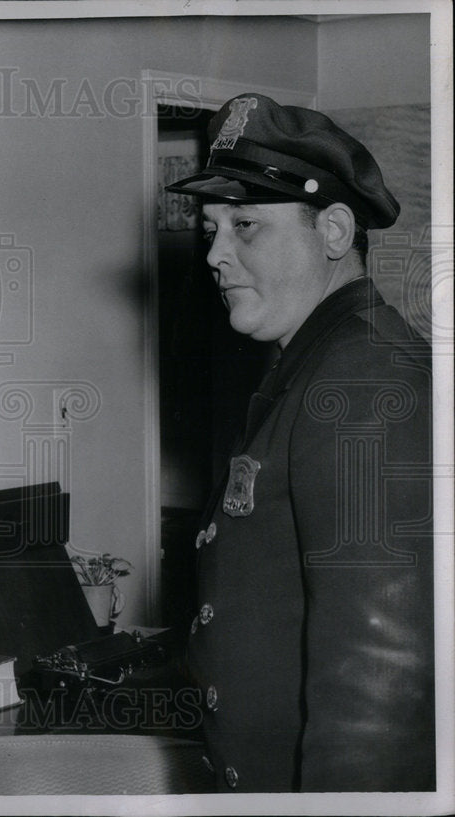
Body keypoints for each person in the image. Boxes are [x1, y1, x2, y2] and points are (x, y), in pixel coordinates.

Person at [167, 94, 434, 792]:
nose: (217, 255)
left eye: (246, 225)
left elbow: (380, 684)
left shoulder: (364, 382)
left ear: (336, 231)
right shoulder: (316, 364)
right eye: (212, 229)